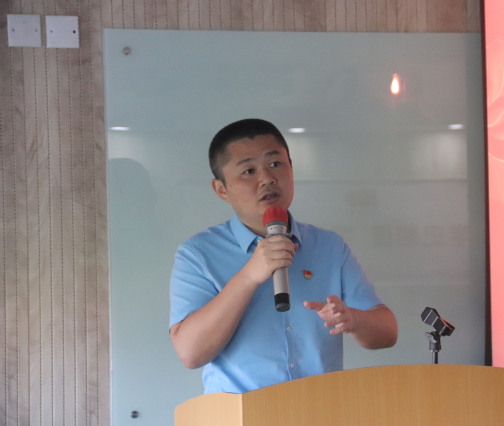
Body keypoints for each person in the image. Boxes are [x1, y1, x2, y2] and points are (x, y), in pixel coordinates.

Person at [169, 118, 398, 394]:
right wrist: (249, 276)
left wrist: (353, 320)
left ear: (291, 168)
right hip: (239, 412)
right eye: (249, 171)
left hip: (320, 409)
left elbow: (387, 333)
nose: (267, 178)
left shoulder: (329, 246)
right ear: (221, 189)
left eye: (276, 164)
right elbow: (190, 354)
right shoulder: (198, 254)